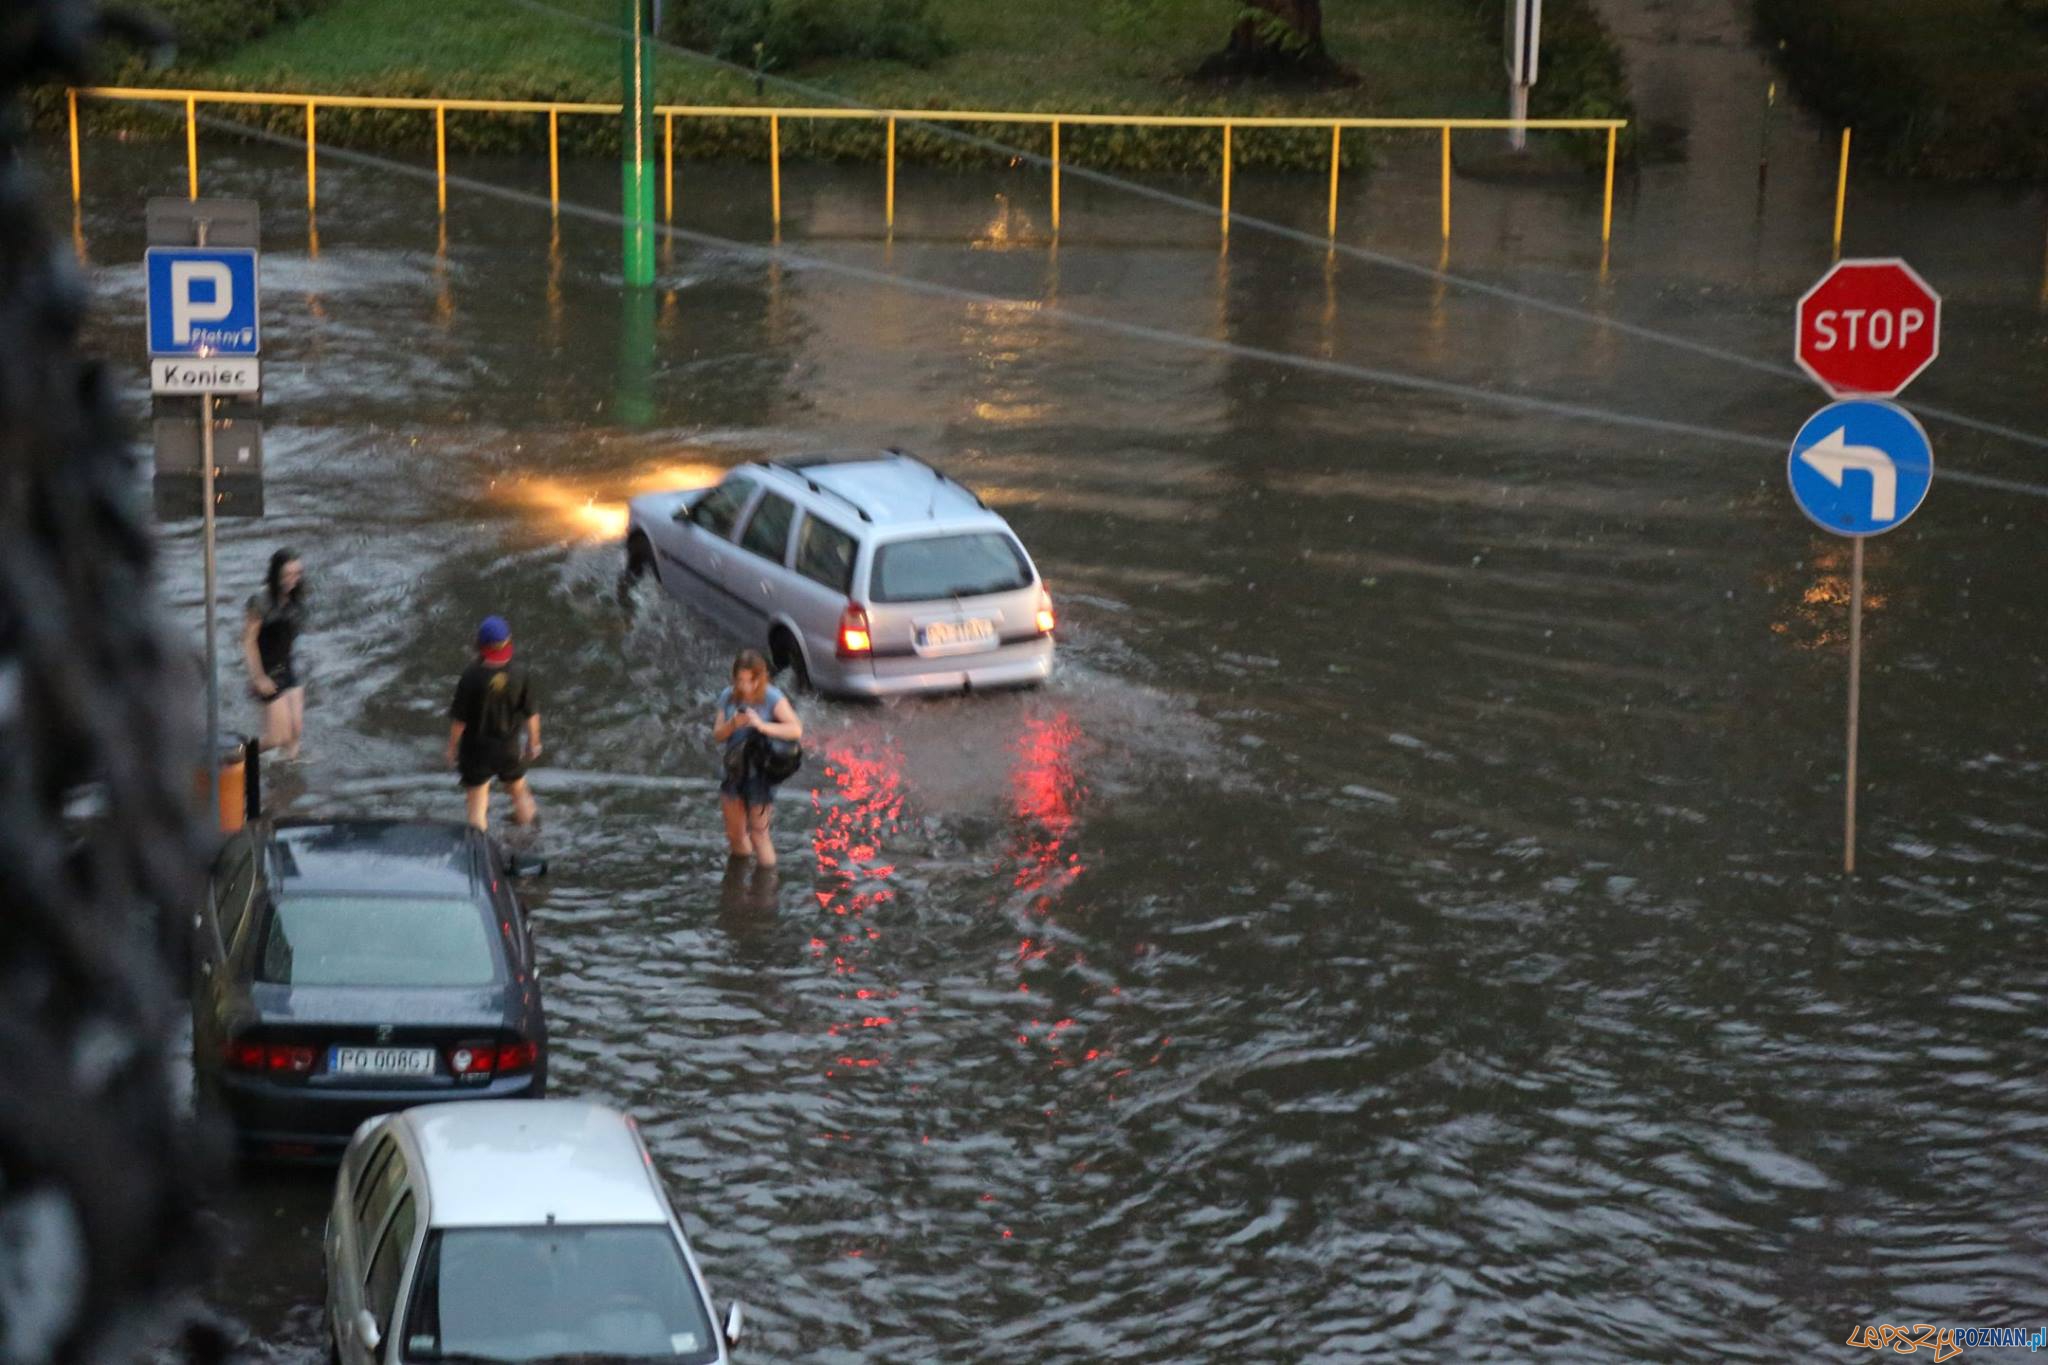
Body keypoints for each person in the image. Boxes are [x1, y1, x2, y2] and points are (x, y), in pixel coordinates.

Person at [445, 615, 541, 832]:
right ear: (508, 642)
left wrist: (452, 748)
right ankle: (531, 836)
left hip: (477, 751)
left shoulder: (471, 676)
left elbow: (459, 721)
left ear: (480, 644)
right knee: (518, 790)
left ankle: (480, 850)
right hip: (509, 749)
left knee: (477, 804)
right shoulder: (520, 673)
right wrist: (534, 742)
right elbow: (531, 713)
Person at [711, 648, 802, 866]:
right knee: (734, 834)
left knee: (759, 833)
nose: (746, 686)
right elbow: (717, 735)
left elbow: (795, 729)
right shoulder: (727, 696)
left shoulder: (772, 697)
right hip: (734, 769)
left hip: (760, 772)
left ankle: (766, 889)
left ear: (761, 678)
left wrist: (761, 725)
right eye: (740, 680)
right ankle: (739, 878)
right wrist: (733, 724)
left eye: (751, 680)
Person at [242, 547, 309, 758]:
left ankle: (287, 782)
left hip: (287, 667)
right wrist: (258, 677)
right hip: (266, 670)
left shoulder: (296, 599)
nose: (292, 580)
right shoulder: (261, 600)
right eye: (287, 575)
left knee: (294, 733)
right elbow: (248, 640)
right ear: (275, 574)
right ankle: (233, 757)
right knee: (275, 738)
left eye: (297, 574)